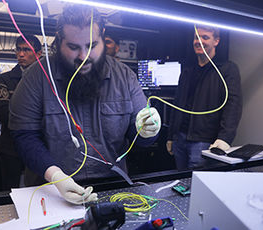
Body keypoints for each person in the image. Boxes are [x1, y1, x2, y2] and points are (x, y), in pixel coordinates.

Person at [9, 5, 161, 205]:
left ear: (103, 36)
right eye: (73, 47)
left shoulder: (125, 78)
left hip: (112, 188)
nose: (83, 56)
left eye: (91, 45)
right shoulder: (36, 78)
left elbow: (138, 138)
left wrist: (148, 131)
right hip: (51, 190)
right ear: (59, 39)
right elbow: (24, 137)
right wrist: (55, 175)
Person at [167, 26, 242, 170]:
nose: (199, 41)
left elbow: (234, 105)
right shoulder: (187, 70)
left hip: (204, 142)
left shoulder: (227, 69)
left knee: (197, 186)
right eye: (196, 37)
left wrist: (225, 138)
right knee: (181, 186)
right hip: (180, 139)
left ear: (216, 41)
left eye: (205, 37)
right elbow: (177, 104)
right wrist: (171, 135)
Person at [0, 35, 42, 190]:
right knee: (10, 192)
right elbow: (2, 113)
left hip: (39, 149)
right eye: (19, 49)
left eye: (26, 49)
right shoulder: (4, 79)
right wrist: (37, 117)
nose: (21, 54)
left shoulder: (47, 81)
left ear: (38, 54)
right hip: (11, 148)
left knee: (38, 193)